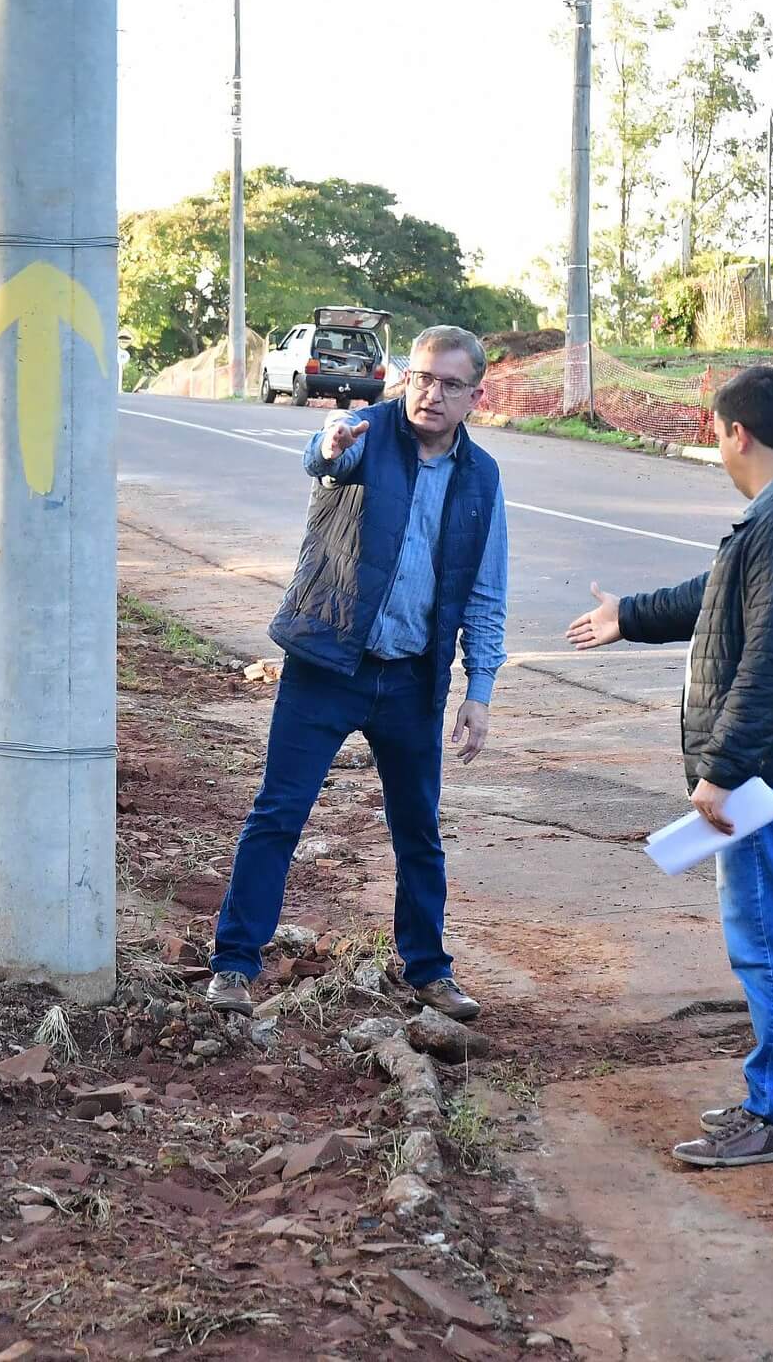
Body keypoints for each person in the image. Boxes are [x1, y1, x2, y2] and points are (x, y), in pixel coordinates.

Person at [566, 366, 773, 1168]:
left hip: (772, 781)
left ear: (736, 432)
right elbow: (721, 594)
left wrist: (724, 770)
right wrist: (627, 616)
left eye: (716, 430)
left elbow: (770, 661)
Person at [204, 325, 508, 1024]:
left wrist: (478, 691)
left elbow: (485, 595)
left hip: (410, 680)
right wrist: (328, 445)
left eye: (449, 384)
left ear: (475, 395)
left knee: (418, 830)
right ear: (406, 377)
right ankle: (233, 965)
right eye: (421, 377)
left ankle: (429, 971)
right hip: (326, 664)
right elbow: (323, 457)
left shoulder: (481, 477)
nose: (431, 393)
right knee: (278, 814)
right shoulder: (364, 433)